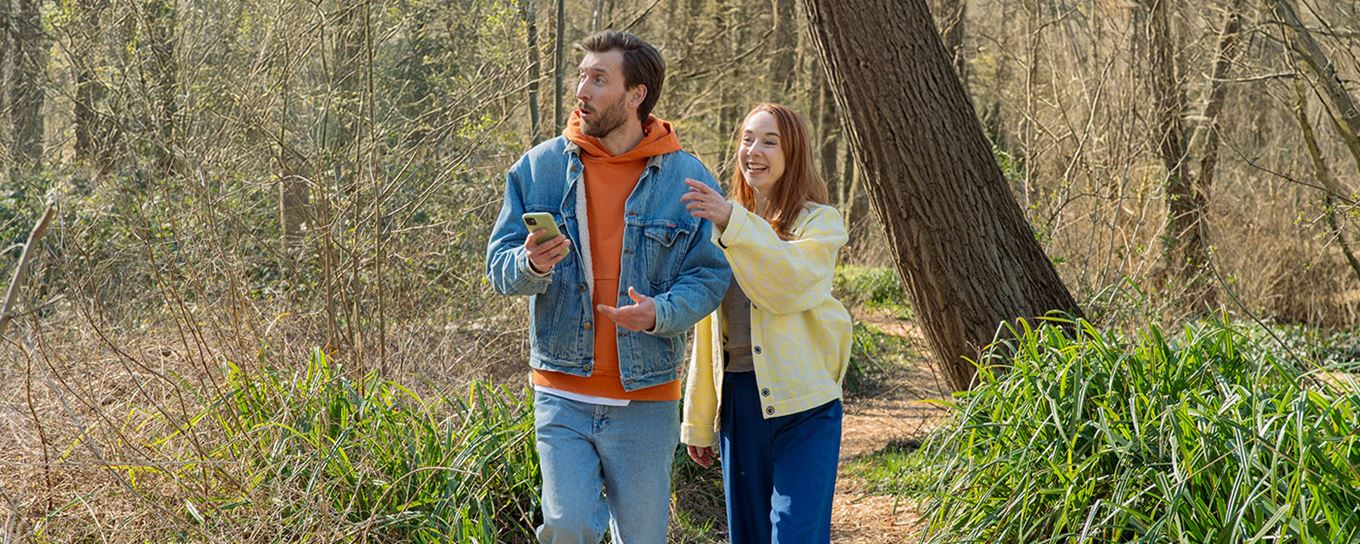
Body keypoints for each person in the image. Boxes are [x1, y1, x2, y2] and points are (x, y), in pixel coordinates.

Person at [485, 30, 730, 543]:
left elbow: (710, 274)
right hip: (561, 390)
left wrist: (661, 312)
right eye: (581, 76)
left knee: (642, 537)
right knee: (566, 526)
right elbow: (498, 267)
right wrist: (530, 264)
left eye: (599, 79)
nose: (582, 90)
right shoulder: (540, 167)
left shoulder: (687, 178)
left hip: (646, 396)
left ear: (636, 94)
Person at [679, 103, 852, 543]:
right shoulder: (722, 222)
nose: (754, 150)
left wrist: (731, 221)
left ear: (793, 153)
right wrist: (699, 418)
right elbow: (706, 334)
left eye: (769, 141)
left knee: (793, 535)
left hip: (807, 406)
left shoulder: (820, 222)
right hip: (740, 404)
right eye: (747, 139)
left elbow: (788, 282)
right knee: (751, 536)